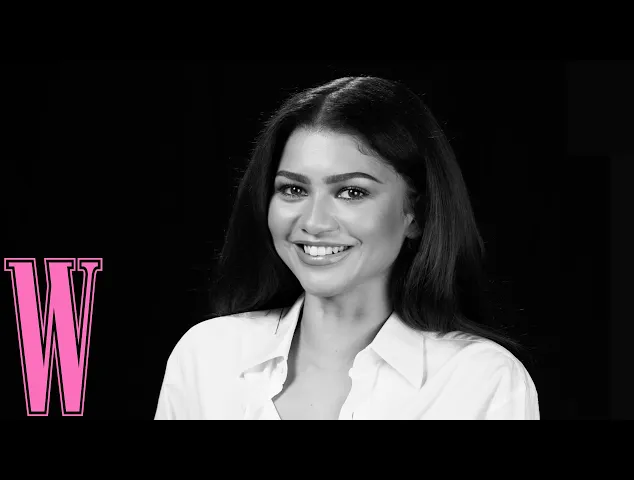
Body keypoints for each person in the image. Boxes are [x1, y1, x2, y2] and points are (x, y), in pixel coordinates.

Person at [155, 76, 540, 420]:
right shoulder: (207, 357)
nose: (314, 222)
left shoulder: (482, 381)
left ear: (416, 214)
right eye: (294, 189)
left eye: (352, 192)